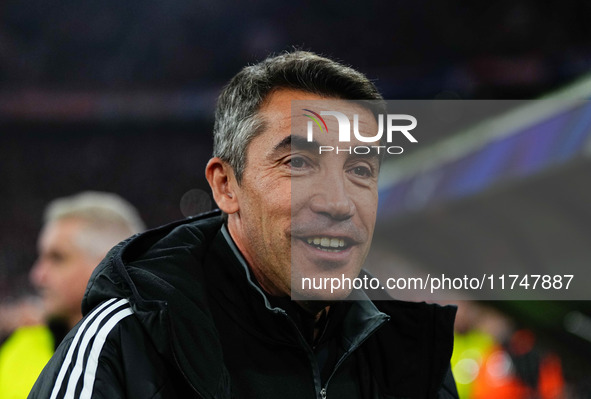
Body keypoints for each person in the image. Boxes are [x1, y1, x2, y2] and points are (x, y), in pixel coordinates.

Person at [29, 51, 458, 398]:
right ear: (226, 186)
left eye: (361, 169)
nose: (339, 202)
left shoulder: (411, 352)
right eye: (298, 162)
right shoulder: (128, 342)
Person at [0, 192, 144, 399]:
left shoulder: (151, 365)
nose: (37, 275)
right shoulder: (21, 346)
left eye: (57, 258)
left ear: (107, 266)